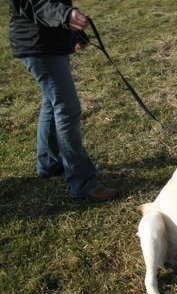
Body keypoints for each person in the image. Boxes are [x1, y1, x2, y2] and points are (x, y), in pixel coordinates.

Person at [7, 0, 120, 201]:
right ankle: (82, 183)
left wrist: (75, 32)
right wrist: (65, 16)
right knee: (67, 108)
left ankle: (48, 163)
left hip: (52, 43)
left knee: (52, 103)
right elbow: (31, 3)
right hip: (37, 45)